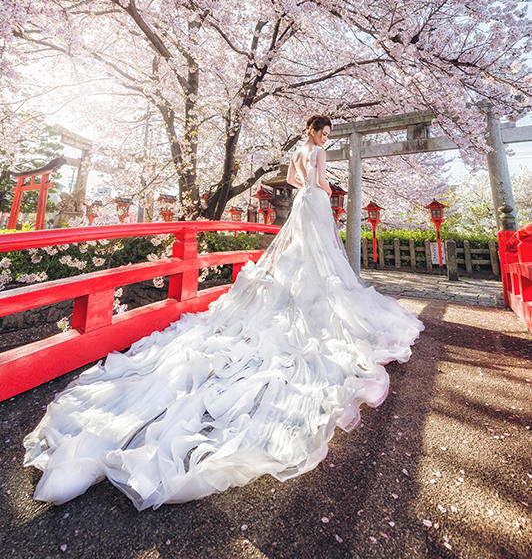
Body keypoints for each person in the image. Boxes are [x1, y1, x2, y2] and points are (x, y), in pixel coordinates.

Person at [23, 114, 424, 510]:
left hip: (302, 204)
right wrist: (325, 192)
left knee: (300, 255)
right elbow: (317, 182)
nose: (327, 137)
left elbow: (293, 181)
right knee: (320, 259)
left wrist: (308, 190)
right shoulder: (317, 152)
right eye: (326, 131)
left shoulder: (298, 150)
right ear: (316, 131)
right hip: (316, 203)